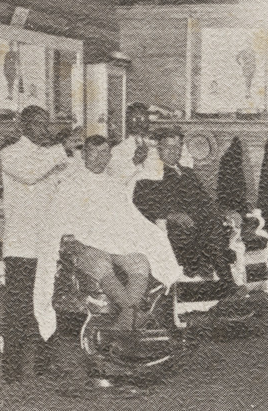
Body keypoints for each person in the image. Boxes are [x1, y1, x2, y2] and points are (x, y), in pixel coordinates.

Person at [34, 135, 182, 342]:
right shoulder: (69, 184)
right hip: (82, 243)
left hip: (112, 241)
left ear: (110, 156)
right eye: (94, 152)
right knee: (101, 263)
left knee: (140, 262)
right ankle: (131, 313)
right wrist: (68, 239)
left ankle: (124, 323)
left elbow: (126, 217)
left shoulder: (113, 184)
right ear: (84, 154)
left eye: (104, 153)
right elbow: (56, 223)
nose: (99, 158)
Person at [0, 104, 71, 384]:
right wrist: (60, 149)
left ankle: (44, 364)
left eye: (47, 124)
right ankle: (12, 370)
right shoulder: (10, 154)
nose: (45, 129)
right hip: (21, 245)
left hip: (47, 244)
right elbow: (30, 173)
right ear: (23, 127)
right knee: (19, 309)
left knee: (47, 304)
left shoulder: (50, 155)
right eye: (39, 124)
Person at [133, 127, 234, 284]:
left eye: (178, 146)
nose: (174, 151)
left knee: (216, 224)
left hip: (201, 222)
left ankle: (220, 279)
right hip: (175, 227)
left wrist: (226, 212)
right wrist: (172, 216)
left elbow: (206, 200)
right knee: (212, 229)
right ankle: (224, 281)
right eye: (169, 147)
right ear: (159, 148)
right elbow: (143, 205)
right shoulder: (150, 174)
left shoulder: (188, 172)